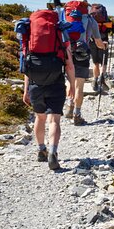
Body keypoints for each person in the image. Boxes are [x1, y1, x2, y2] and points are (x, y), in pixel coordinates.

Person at [21, 10, 76, 171]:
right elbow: (69, 65)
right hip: (56, 83)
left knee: (40, 118)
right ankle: (53, 152)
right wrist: (72, 85)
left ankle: (41, 150)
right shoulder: (59, 34)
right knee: (54, 120)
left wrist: (26, 90)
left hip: (35, 84)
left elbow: (26, 67)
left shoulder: (30, 36)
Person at [64, 0, 106, 125]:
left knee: (69, 82)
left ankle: (69, 106)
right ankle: (77, 114)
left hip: (67, 53)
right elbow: (98, 42)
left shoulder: (66, 16)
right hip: (82, 53)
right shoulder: (91, 20)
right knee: (79, 86)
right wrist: (103, 45)